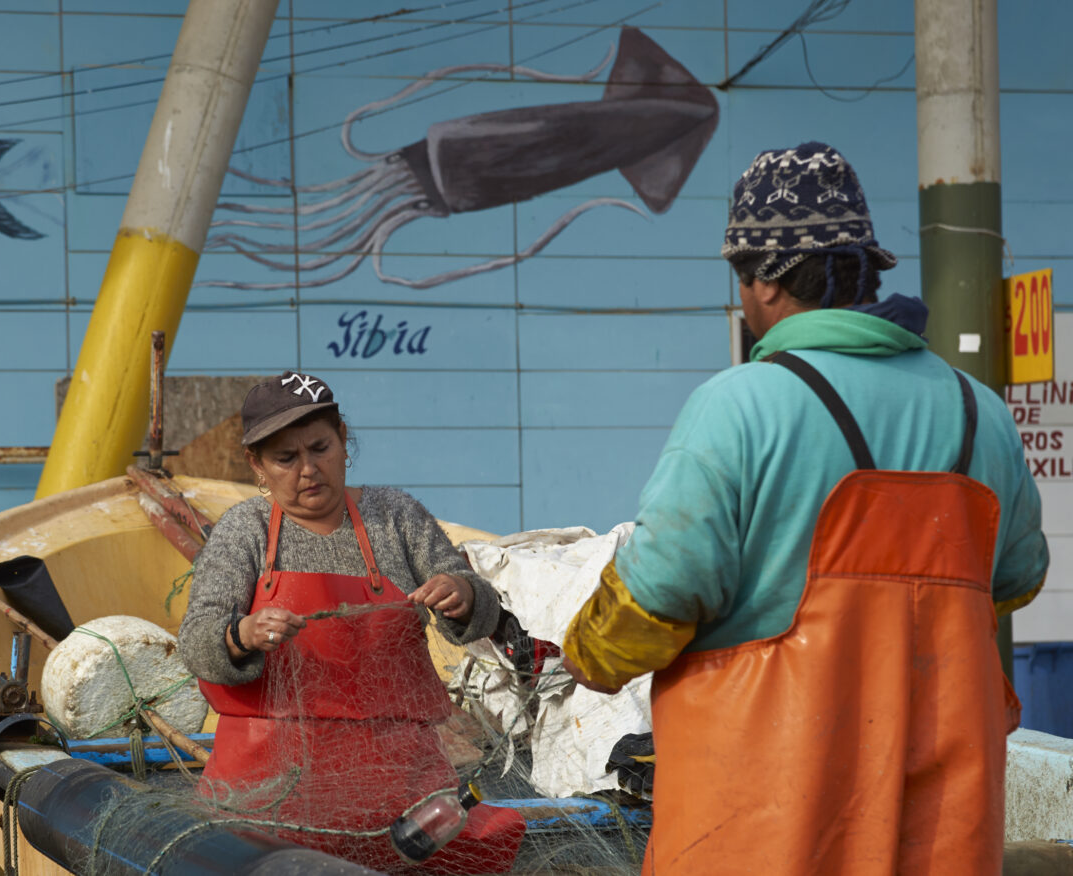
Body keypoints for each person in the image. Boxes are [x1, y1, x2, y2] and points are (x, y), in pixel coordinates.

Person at [560, 142, 1048, 874]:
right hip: (936, 829)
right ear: (865, 270)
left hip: (763, 823)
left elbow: (659, 592)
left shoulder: (739, 406)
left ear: (764, 283)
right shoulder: (980, 414)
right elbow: (1015, 578)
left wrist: (587, 656)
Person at [179, 371, 525, 873]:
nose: (308, 470)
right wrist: (242, 635)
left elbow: (483, 609)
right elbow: (197, 640)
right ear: (257, 466)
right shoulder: (245, 530)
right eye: (285, 458)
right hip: (270, 797)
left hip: (404, 792)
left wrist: (464, 594)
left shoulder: (397, 515)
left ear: (343, 438)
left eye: (320, 447)